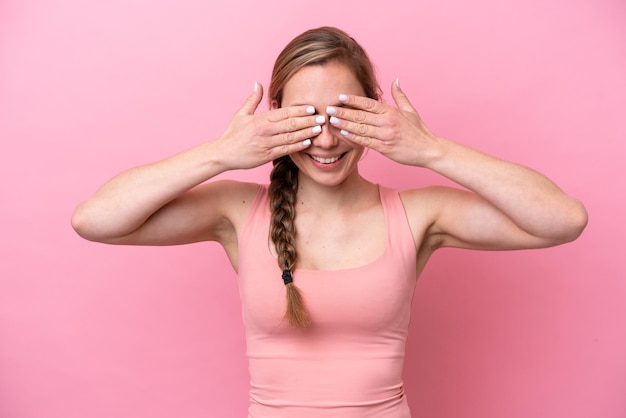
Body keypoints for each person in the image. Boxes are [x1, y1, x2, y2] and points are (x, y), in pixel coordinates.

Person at [71, 26, 588, 418]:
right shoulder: (238, 212)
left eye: (342, 115)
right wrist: (220, 154)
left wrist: (432, 150)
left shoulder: (416, 215)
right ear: (275, 116)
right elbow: (95, 220)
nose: (325, 140)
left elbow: (562, 220)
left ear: (374, 110)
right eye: (306, 118)